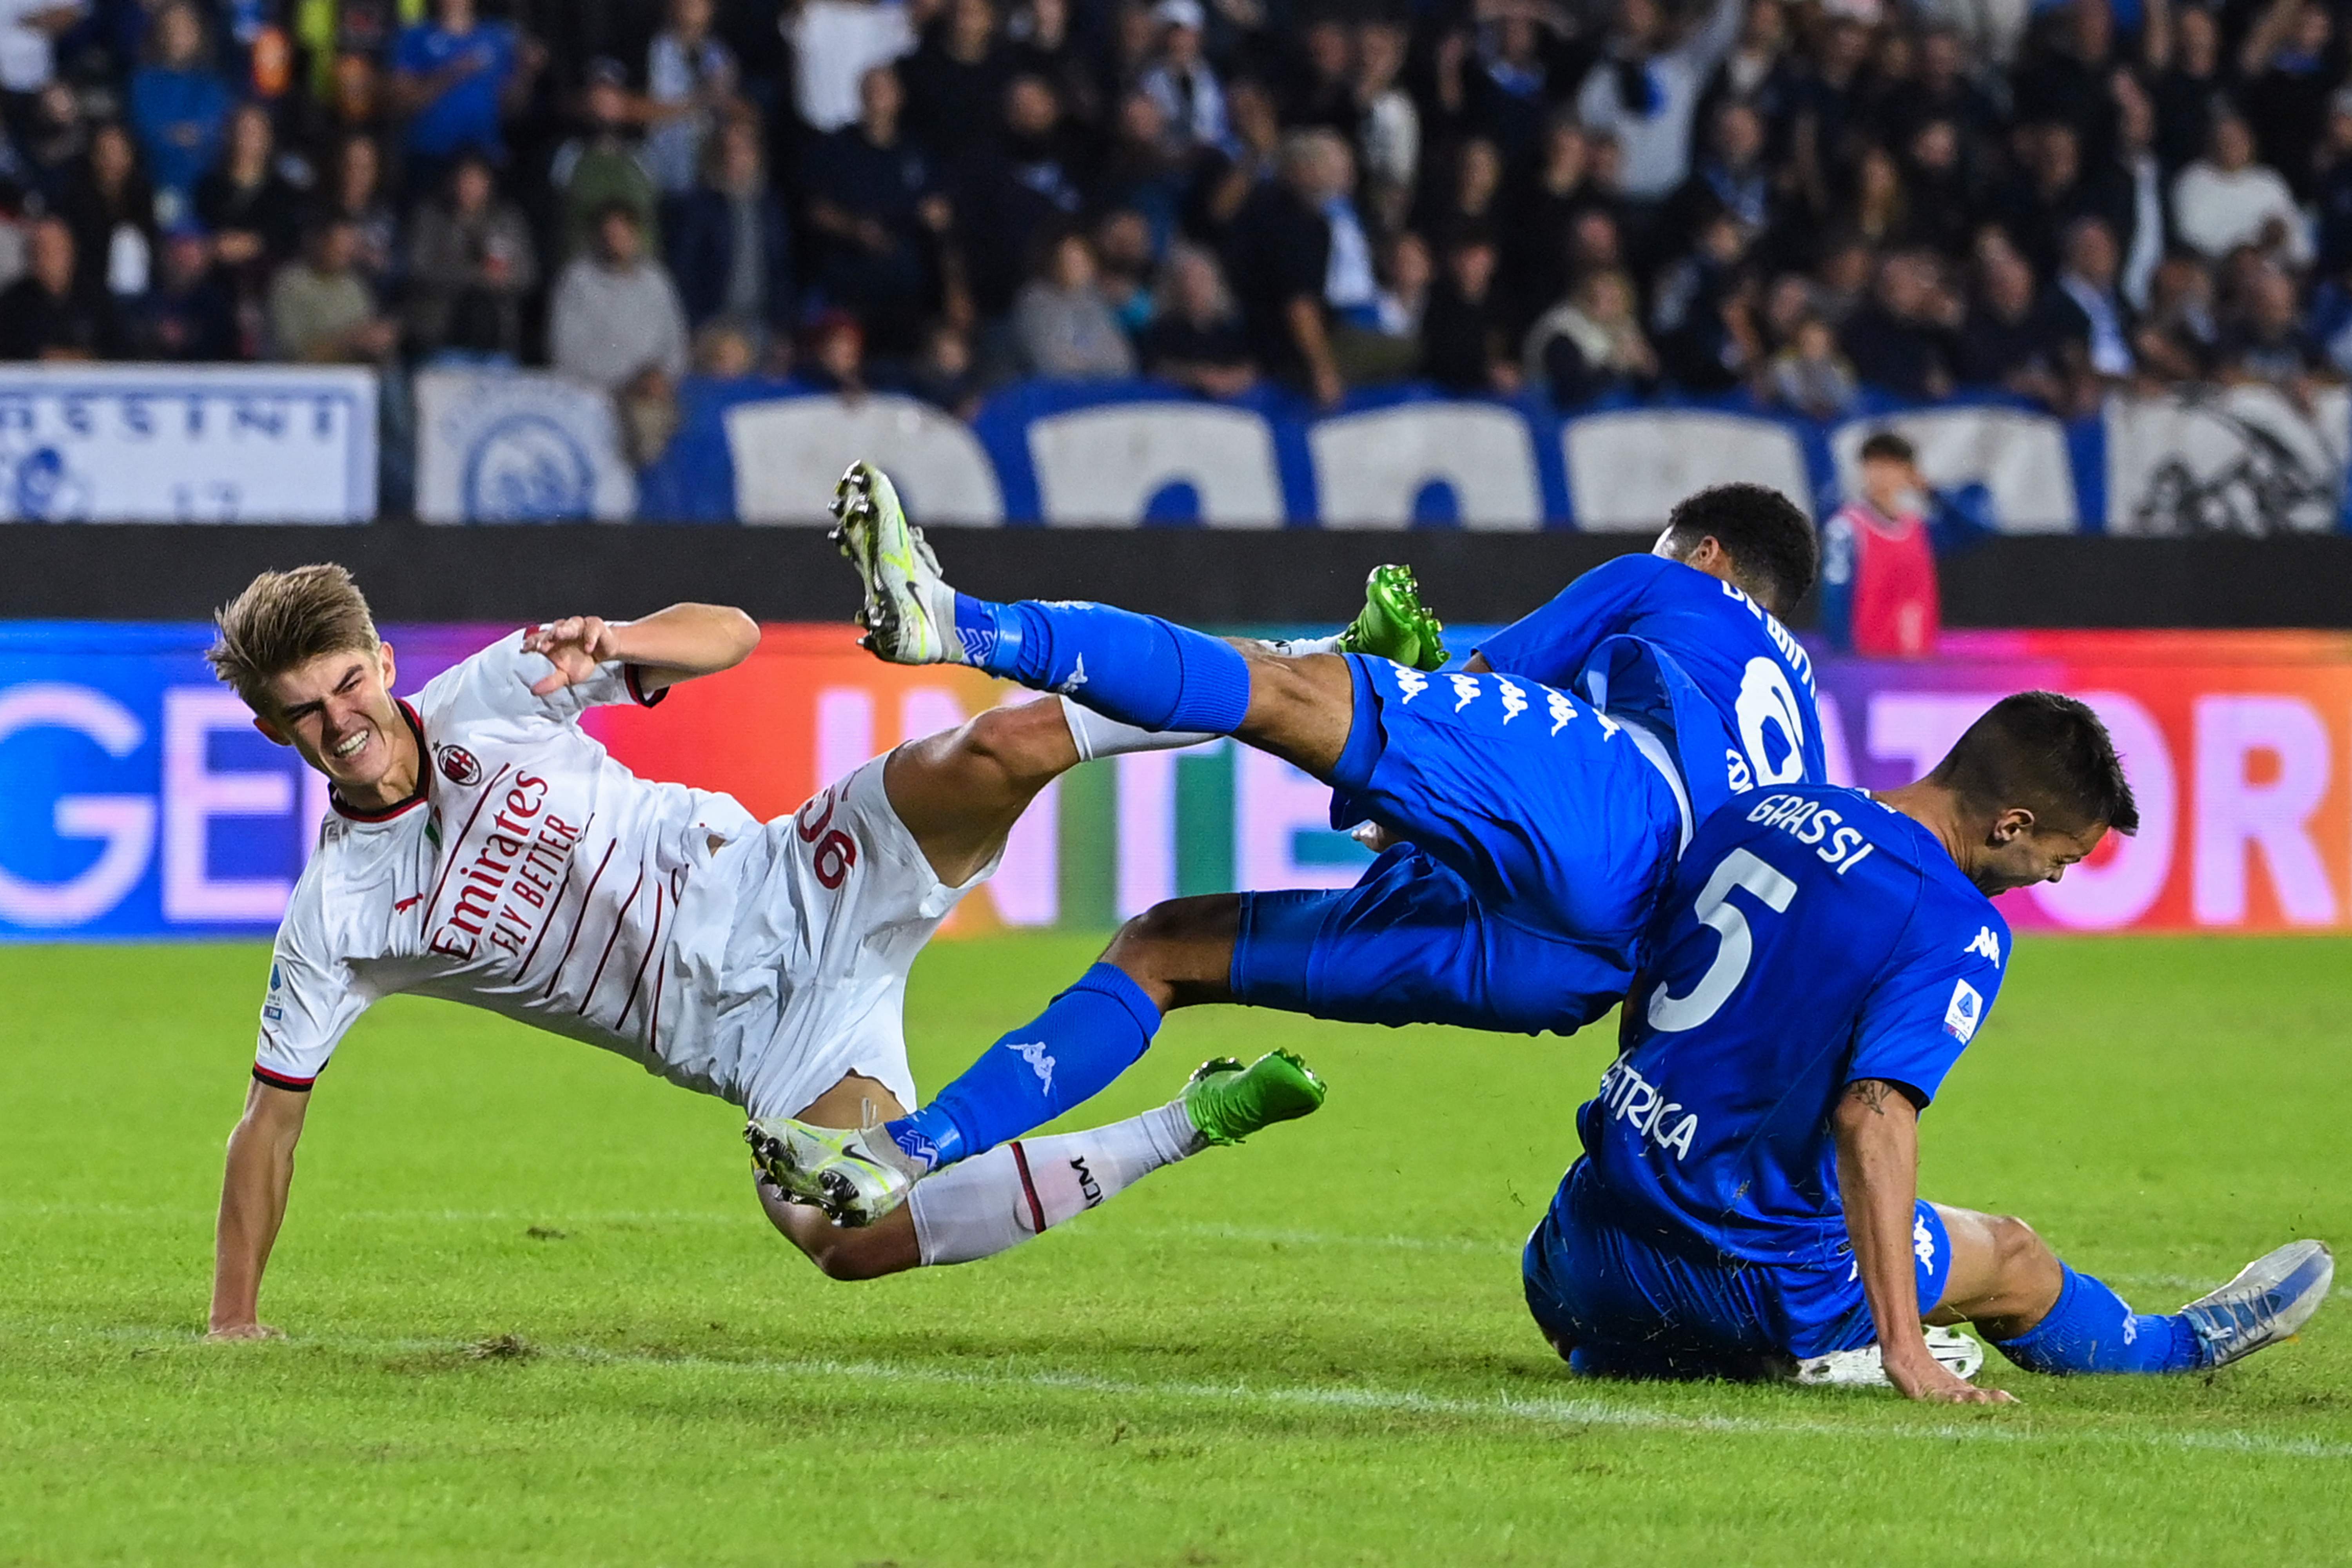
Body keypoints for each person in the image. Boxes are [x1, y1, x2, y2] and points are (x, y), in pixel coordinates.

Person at [199, 552, 1453, 1334]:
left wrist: (624, 641)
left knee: (1001, 745)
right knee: (848, 1241)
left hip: (791, 881)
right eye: (305, 713)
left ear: (379, 662)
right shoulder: (339, 916)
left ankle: (1324, 667)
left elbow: (732, 633)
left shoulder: (495, 692)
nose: (342, 721)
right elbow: (271, 1123)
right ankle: (1195, 1120)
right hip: (765, 1045)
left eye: (349, 683)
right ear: (273, 733)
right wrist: (233, 1321)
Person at [755, 471, 1828, 1225]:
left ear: (1709, 553)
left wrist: (1395, 675)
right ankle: (904, 1152)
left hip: (1612, 811)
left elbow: (1485, 687)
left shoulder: (1673, 584)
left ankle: (957, 622)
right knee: (1166, 947)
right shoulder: (1808, 740)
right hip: (1596, 965)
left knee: (1275, 686)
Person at [1523, 693, 2332, 1399]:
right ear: (2012, 824)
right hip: (1752, 1279)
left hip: (1579, 1250)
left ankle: (1659, 1351)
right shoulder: (1950, 919)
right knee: (2012, 1256)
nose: (2053, 879)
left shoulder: (1758, 811)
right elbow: (1871, 1113)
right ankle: (2180, 1345)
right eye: (2060, 858)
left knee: (1687, 1244)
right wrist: (1908, 1349)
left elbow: (1646, 984)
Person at [1821, 430, 1940, 659]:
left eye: (1892, 466)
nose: (1882, 474)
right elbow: (1835, 600)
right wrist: (1845, 660)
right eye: (1875, 465)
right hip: (1870, 661)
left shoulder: (1919, 529)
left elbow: (1973, 528)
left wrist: (1932, 491)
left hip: (1918, 658)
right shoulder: (1846, 528)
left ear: (1909, 472)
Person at [548, 201, 688, 392]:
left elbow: (675, 341)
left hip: (650, 393)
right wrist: (622, 383)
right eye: (610, 236)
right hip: (593, 392)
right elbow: (565, 352)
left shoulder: (656, 280)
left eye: (622, 235)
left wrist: (661, 376)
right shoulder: (577, 281)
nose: (615, 243)